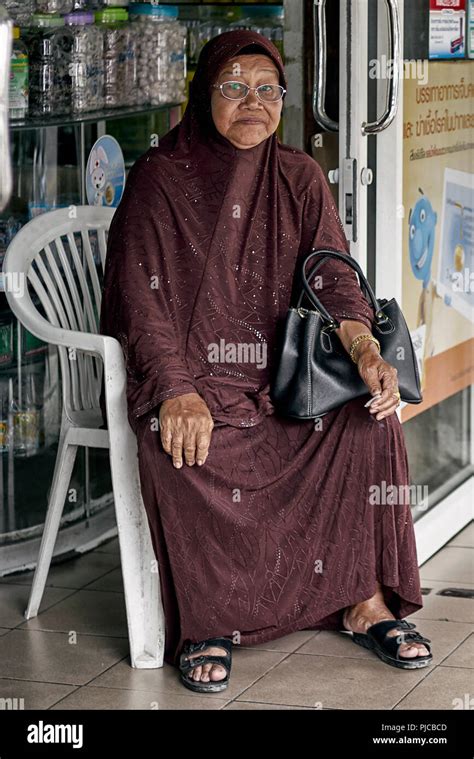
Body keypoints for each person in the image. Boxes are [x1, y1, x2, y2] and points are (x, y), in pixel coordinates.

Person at [99, 30, 432, 694]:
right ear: (204, 94)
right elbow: (139, 300)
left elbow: (336, 280)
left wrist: (366, 351)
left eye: (267, 89)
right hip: (194, 379)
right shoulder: (160, 179)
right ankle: (210, 620)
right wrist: (173, 387)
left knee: (371, 419)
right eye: (233, 86)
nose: (253, 101)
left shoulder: (300, 176)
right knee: (182, 447)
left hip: (284, 375)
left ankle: (362, 597)